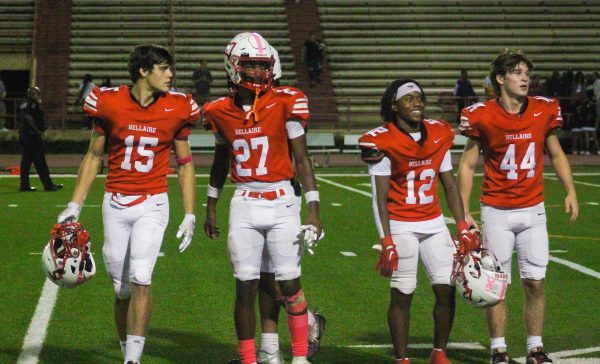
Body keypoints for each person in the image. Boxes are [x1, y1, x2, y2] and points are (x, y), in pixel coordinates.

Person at [56, 44, 199, 364]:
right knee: (121, 288)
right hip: (115, 202)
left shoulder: (177, 106)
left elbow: (185, 162)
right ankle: (127, 353)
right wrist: (74, 205)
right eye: (163, 68)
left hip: (153, 203)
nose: (171, 74)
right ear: (143, 71)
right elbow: (94, 156)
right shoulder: (109, 102)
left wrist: (189, 212)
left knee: (141, 275)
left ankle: (132, 360)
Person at [203, 32, 322, 364]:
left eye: (262, 66)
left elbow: (302, 160)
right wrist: (211, 204)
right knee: (246, 287)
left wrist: (314, 208)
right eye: (250, 66)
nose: (257, 72)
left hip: (283, 199)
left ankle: (299, 357)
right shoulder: (218, 111)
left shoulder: (287, 100)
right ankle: (253, 358)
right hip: (244, 200)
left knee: (289, 284)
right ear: (233, 66)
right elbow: (219, 161)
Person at [457, 49, 579, 364]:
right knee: (497, 285)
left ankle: (535, 348)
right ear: (500, 78)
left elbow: (556, 153)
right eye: (517, 72)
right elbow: (468, 165)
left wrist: (570, 190)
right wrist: (465, 211)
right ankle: (499, 349)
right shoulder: (481, 114)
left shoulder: (543, 109)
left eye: (526, 72)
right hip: (496, 211)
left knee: (535, 281)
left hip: (533, 211)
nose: (525, 77)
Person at [359, 78, 480, 364]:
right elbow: (380, 198)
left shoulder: (439, 132)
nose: (417, 103)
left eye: (419, 97)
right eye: (409, 98)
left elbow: (449, 184)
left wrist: (461, 224)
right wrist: (386, 240)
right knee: (404, 291)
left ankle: (439, 353)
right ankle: (402, 359)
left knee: (446, 288)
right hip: (401, 223)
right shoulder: (382, 140)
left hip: (434, 221)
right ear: (394, 105)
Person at [18, 86, 62, 192]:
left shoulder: (24, 104)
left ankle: (24, 185)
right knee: (40, 162)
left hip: (25, 136)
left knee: (26, 162)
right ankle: (48, 185)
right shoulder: (32, 104)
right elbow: (28, 118)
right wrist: (37, 130)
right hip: (32, 137)